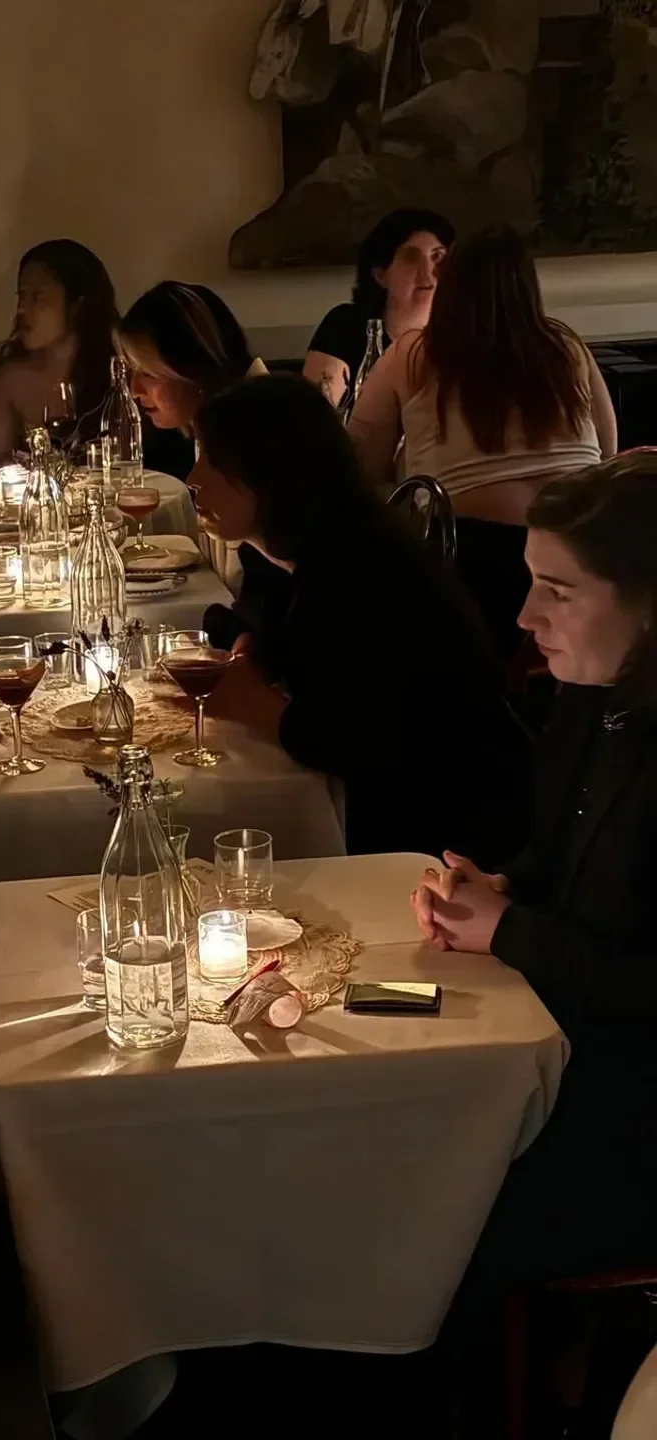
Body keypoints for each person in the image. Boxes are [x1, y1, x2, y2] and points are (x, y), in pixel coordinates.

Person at [413, 454, 657, 1425]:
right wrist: (504, 885)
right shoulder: (594, 694)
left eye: (557, 589)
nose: (523, 616)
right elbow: (560, 854)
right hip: (566, 1050)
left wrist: (512, 932)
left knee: (438, 1207)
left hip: (638, 1108)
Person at [190, 372, 532, 864]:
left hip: (448, 845)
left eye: (212, 462)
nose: (193, 482)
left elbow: (362, 743)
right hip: (433, 813)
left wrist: (253, 704)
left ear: (269, 477)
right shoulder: (344, 549)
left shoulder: (361, 576)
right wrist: (262, 654)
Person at [349, 226, 617, 666]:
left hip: (472, 558)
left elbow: (359, 464)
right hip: (579, 550)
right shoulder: (565, 346)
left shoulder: (413, 354)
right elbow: (607, 450)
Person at [117, 281, 269, 584]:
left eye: (146, 373)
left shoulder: (261, 434)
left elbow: (266, 585)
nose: (134, 390)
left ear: (192, 367)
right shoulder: (216, 426)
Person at [303, 208, 455, 408]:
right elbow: (315, 418)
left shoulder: (463, 335)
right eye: (410, 257)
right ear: (380, 275)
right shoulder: (346, 326)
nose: (428, 274)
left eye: (437, 257)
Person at [0, 239, 119, 463]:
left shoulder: (117, 372)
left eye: (37, 297)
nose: (21, 309)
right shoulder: (11, 378)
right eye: (22, 296)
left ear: (77, 305)